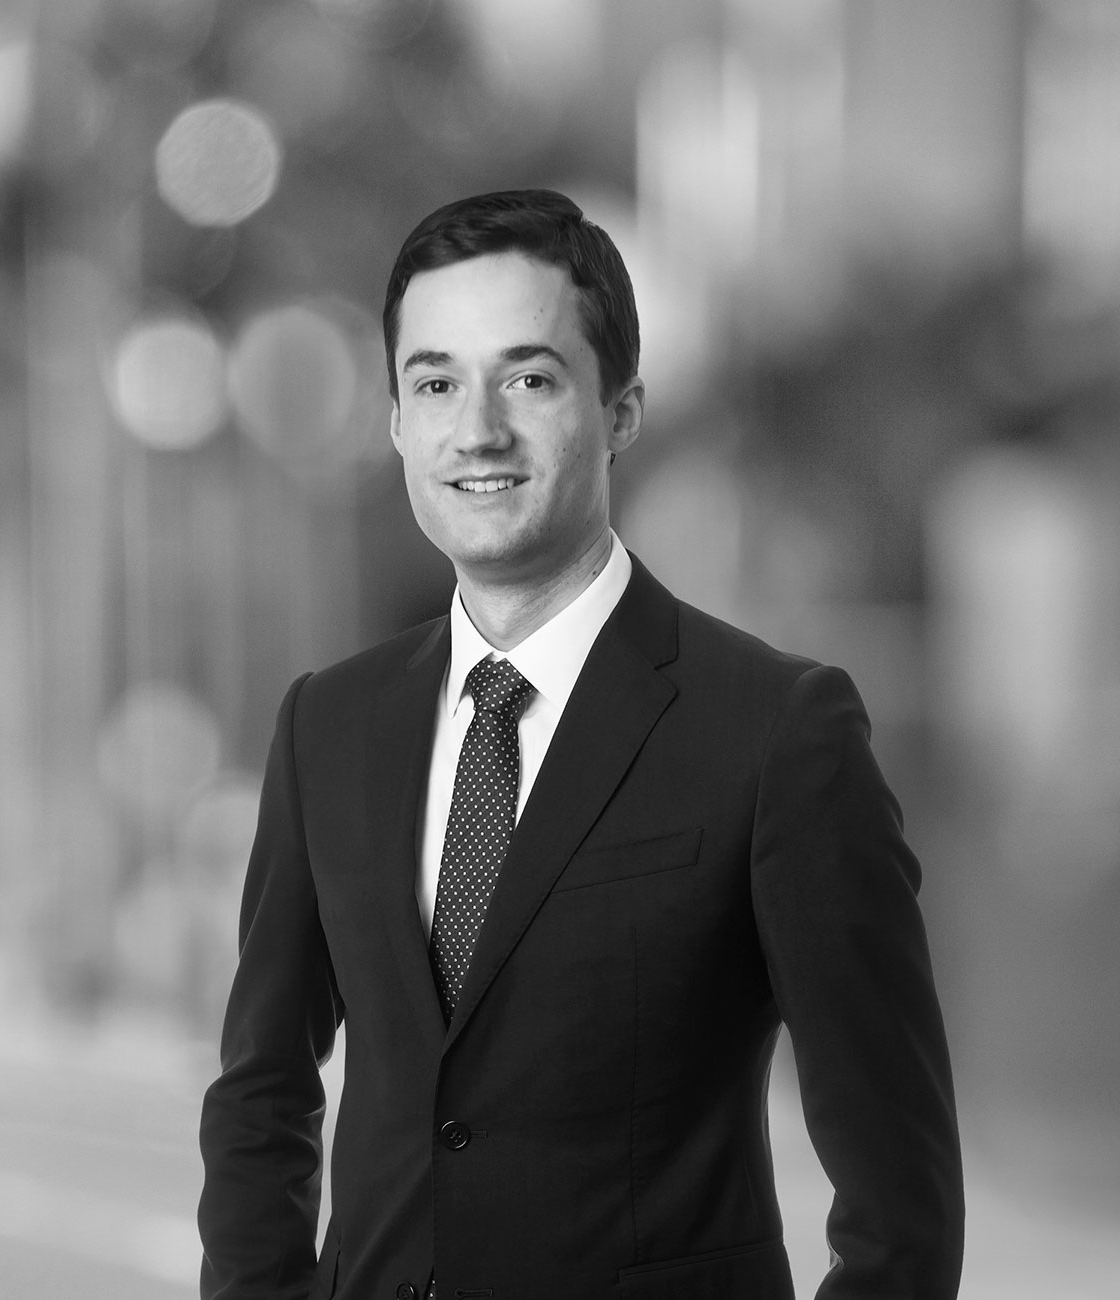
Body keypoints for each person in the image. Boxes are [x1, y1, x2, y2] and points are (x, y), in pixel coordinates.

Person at [197, 189, 964, 1300]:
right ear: (396, 421)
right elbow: (262, 1089)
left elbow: (900, 1199)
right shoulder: (329, 724)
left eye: (528, 378)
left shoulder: (774, 731)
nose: (477, 430)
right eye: (435, 383)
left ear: (619, 411)